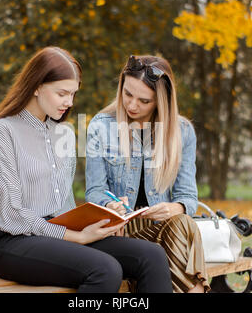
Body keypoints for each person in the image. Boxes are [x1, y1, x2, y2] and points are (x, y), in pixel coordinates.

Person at [0, 47, 173, 293]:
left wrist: (101, 218)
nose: (69, 102)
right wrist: (77, 237)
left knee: (151, 255)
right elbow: (11, 215)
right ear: (36, 86)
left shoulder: (63, 133)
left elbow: (64, 204)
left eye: (73, 94)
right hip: (13, 241)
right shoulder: (3, 132)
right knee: (105, 269)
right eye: (62, 93)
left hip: (58, 234)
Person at [85, 54, 210, 293]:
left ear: (161, 102)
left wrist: (176, 208)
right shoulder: (101, 126)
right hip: (121, 232)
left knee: (183, 221)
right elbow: (94, 191)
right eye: (127, 94)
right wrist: (108, 206)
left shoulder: (182, 132)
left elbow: (188, 197)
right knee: (184, 230)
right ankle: (198, 289)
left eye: (144, 100)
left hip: (166, 231)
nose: (132, 105)